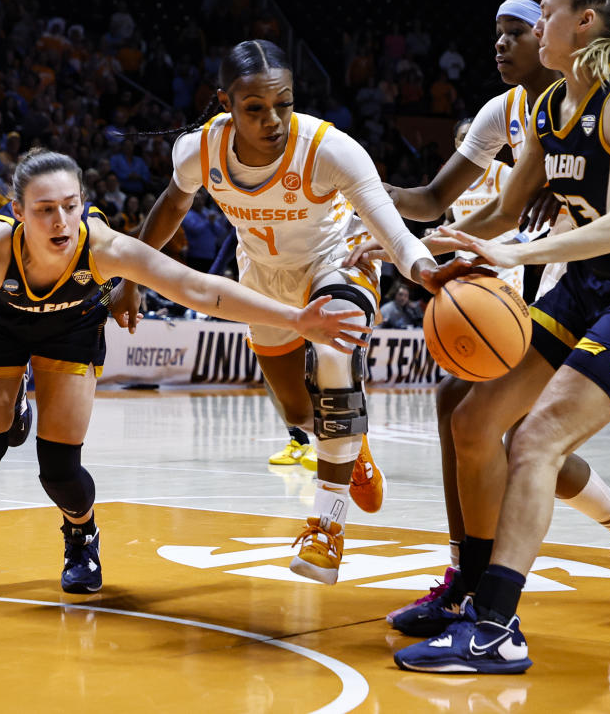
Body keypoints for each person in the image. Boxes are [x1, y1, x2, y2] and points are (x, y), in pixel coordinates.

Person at [0, 149, 369, 595]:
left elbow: (199, 289)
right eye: (45, 210)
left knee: (60, 466)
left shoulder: (103, 249)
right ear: (18, 213)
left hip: (71, 327)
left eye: (70, 207)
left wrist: (299, 318)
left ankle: (81, 536)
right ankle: (13, 408)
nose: (59, 221)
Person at [393, 0, 610, 674]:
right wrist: (432, 246)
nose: (536, 28)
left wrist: (515, 248)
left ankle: (498, 629)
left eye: (546, 14)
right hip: (589, 288)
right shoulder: (550, 103)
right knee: (472, 422)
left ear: (582, 23)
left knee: (535, 442)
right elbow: (502, 209)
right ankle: (472, 596)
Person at [111, 40, 462, 585]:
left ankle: (327, 527)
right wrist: (130, 275)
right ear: (225, 103)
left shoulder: (330, 148)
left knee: (332, 352)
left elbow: (390, 226)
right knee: (301, 416)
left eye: (285, 104)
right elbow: (173, 204)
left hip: (336, 263)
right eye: (254, 108)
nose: (272, 119)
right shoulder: (197, 151)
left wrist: (423, 271)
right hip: (264, 279)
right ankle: (352, 443)